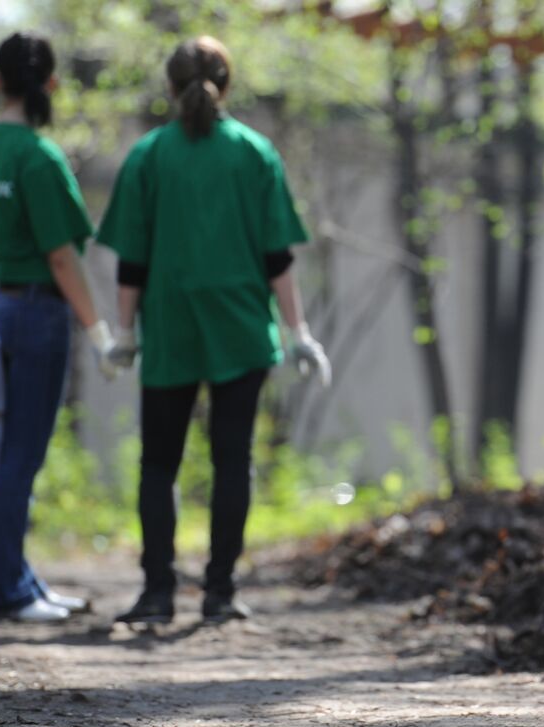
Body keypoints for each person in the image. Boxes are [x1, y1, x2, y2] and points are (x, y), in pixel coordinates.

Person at [97, 36, 330, 625]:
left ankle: (156, 594)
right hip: (240, 331)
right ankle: (220, 593)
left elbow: (133, 262)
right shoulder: (254, 153)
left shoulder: (149, 156)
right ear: (226, 86)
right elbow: (277, 257)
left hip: (172, 328)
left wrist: (124, 333)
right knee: (232, 461)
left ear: (170, 88)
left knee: (159, 464)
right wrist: (298, 331)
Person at [0, 32, 115, 623]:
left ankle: (12, 579)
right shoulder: (38, 155)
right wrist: (98, 330)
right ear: (48, 84)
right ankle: (7, 591)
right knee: (21, 455)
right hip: (37, 313)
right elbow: (61, 256)